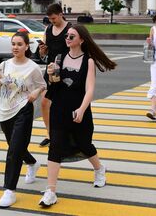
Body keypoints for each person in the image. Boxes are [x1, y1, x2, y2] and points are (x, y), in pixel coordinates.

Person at [39, 25, 117, 208]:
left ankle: (99, 169)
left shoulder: (88, 61)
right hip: (59, 109)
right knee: (55, 147)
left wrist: (82, 109)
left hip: (79, 109)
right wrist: (51, 75)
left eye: (71, 36)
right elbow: (55, 84)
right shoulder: (60, 57)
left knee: (84, 144)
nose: (67, 38)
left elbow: (90, 89)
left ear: (81, 40)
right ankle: (51, 191)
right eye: (67, 36)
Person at [0, 32, 47, 208]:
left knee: (14, 150)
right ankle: (32, 163)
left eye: (19, 44)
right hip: (4, 110)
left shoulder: (33, 67)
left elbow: (43, 85)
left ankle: (9, 191)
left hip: (23, 109)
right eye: (13, 44)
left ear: (26, 46)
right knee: (15, 146)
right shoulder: (4, 64)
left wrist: (35, 93)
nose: (15, 47)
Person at [38, 3, 72, 147]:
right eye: (49, 19)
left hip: (66, 71)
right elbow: (43, 53)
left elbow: (77, 50)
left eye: (53, 18)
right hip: (51, 70)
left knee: (65, 104)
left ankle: (67, 134)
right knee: (45, 102)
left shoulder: (70, 29)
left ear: (60, 14)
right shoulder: (48, 29)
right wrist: (42, 50)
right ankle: (49, 133)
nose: (52, 21)